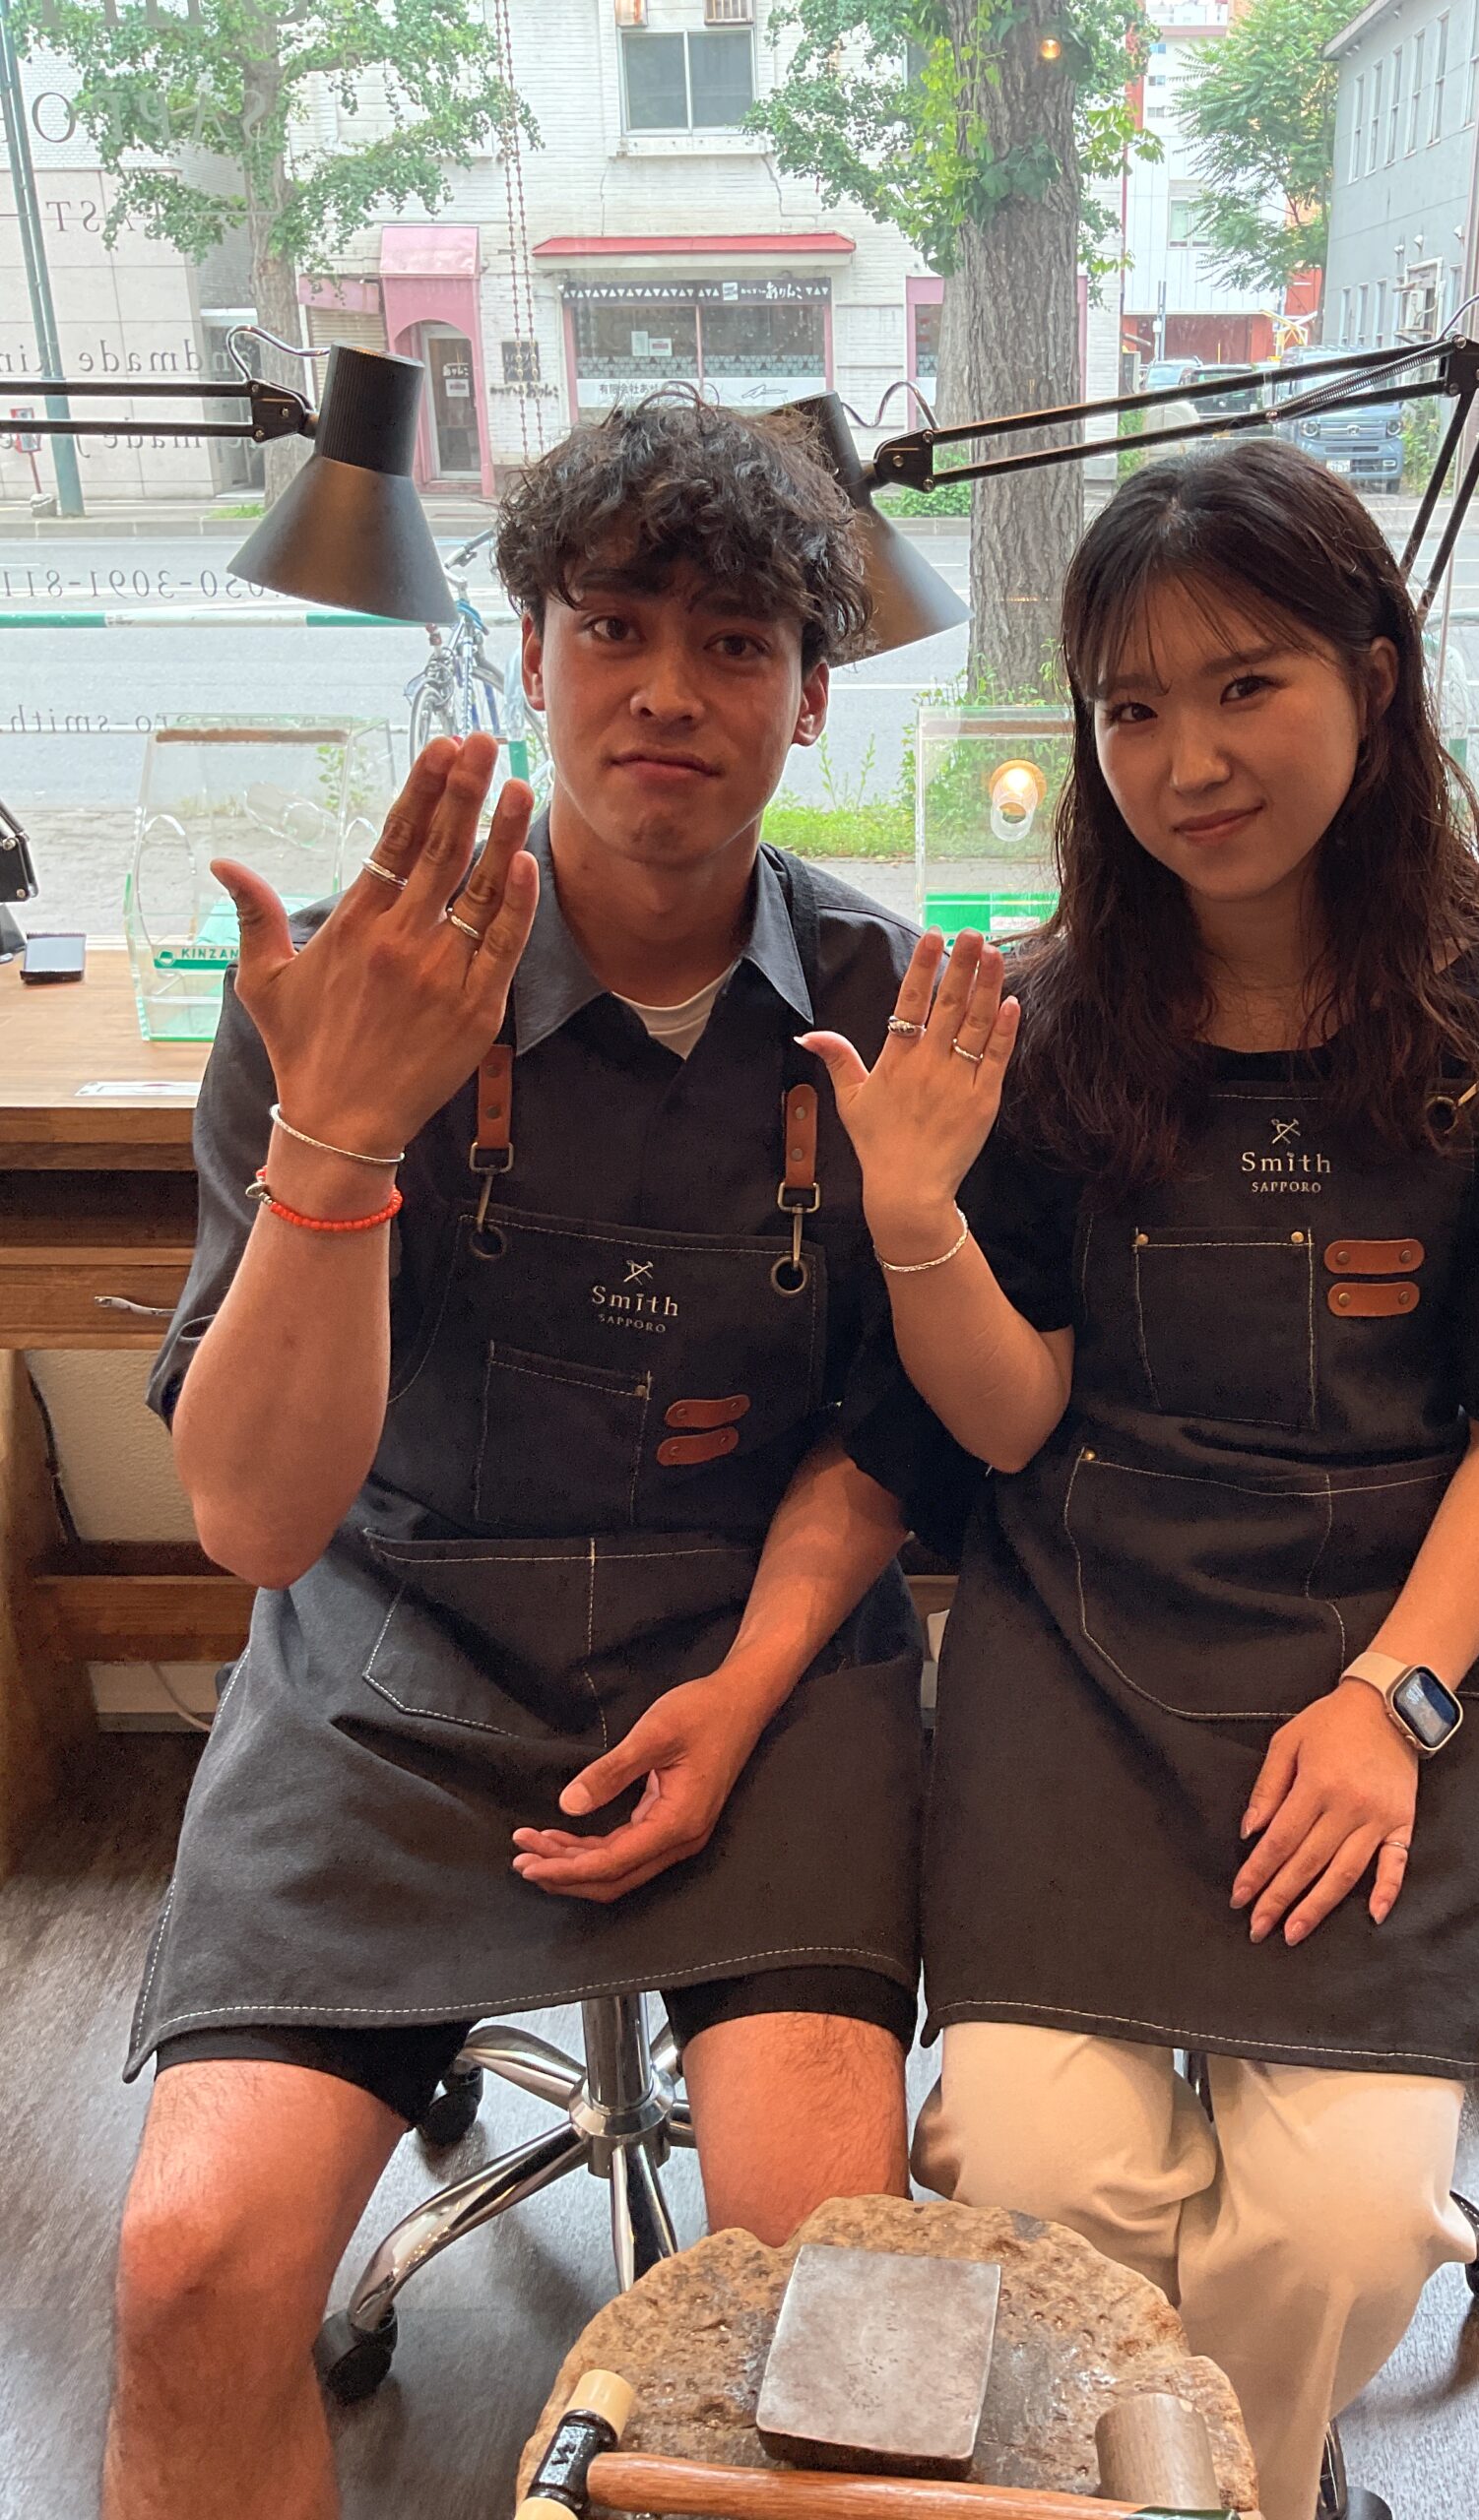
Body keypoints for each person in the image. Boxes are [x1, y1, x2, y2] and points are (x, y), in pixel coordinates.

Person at [807, 438, 1479, 2520]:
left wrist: (1395, 1700)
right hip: (1086, 1660)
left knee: (1342, 2228)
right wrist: (917, 1219)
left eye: (1245, 685)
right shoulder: (1047, 1029)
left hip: (1400, 1668)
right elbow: (1007, 1424)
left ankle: (1244, 2490)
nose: (1188, 759)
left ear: (1372, 680)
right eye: (1132, 708)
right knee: (1034, 2169)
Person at [108, 399, 931, 2520]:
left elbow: (887, 1433)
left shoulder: (880, 1004)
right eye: (616, 627)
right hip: (391, 1654)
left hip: (763, 1662)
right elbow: (256, 1519)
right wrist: (339, 1133)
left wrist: (751, 1686)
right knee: (190, 2263)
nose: (668, 689)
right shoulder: (347, 986)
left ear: (811, 696)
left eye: (736, 642)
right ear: (535, 650)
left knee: (840, 2303)